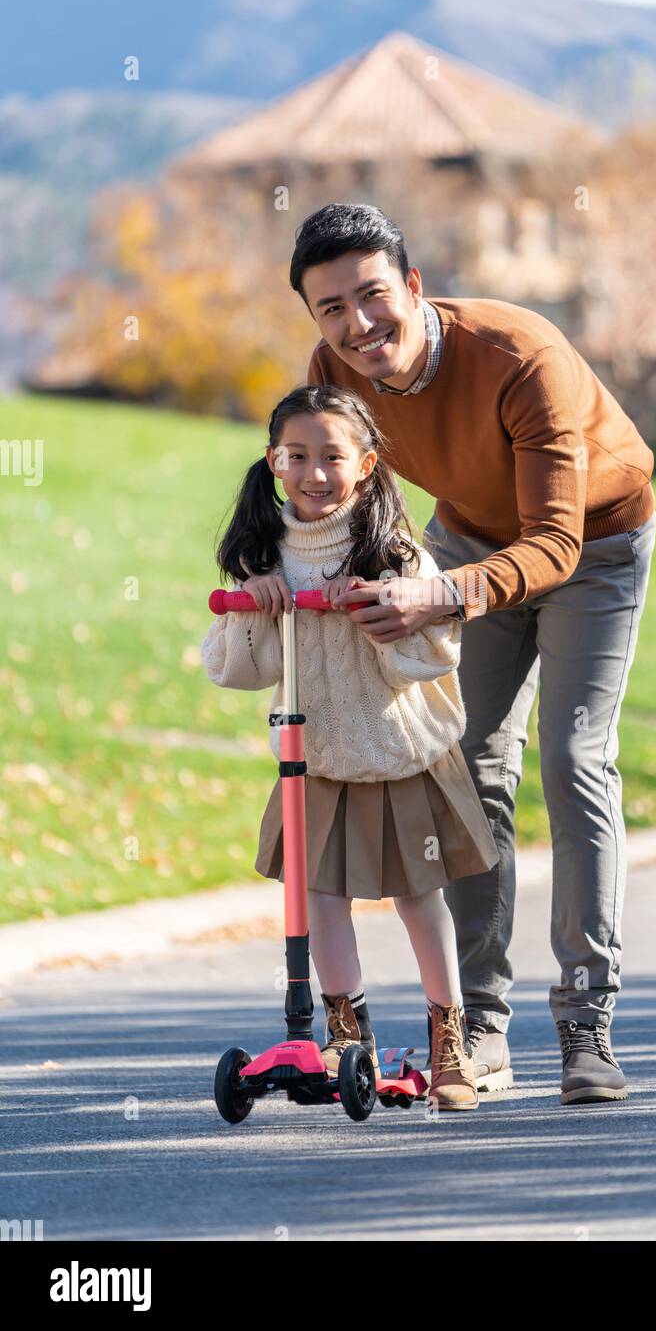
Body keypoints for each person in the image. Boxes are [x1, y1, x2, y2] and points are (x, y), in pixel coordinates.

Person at [248, 201, 656, 1106]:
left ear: (414, 286)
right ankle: (479, 1020)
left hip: (594, 547)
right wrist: (293, 576)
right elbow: (337, 492)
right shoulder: (335, 372)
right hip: (468, 541)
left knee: (573, 757)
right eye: (330, 309)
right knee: (469, 766)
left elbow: (553, 543)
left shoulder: (520, 358)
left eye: (373, 296)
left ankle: (585, 1021)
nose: (358, 327)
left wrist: (435, 594)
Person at [200, 384, 499, 1113]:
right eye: (297, 456)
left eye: (332, 456)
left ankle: (447, 1038)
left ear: (364, 464)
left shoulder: (393, 551)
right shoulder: (264, 552)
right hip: (318, 759)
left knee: (417, 897)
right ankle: (341, 1029)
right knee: (319, 899)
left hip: (398, 752)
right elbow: (235, 668)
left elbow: (432, 654)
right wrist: (259, 605)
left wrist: (382, 613)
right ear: (273, 462)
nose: (314, 473)